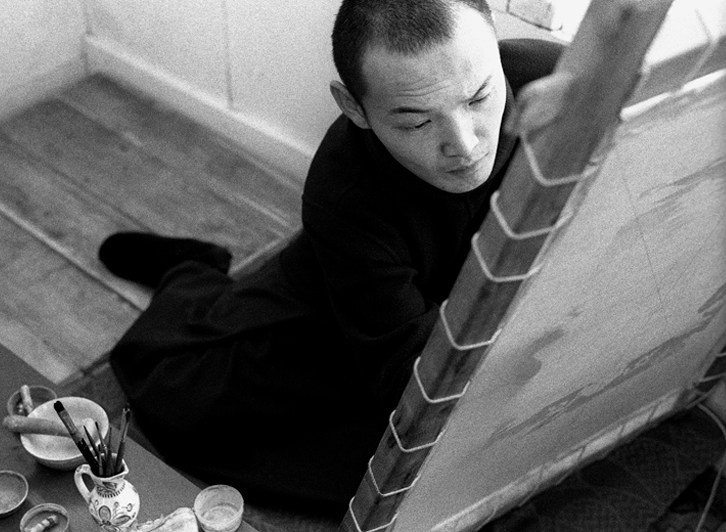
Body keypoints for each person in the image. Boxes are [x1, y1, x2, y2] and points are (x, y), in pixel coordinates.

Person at [100, 0, 564, 515]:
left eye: (479, 97)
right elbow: (406, 378)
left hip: (447, 293)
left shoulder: (554, 80)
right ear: (355, 108)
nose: (464, 142)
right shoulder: (342, 192)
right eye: (415, 123)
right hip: (346, 315)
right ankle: (188, 271)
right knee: (185, 404)